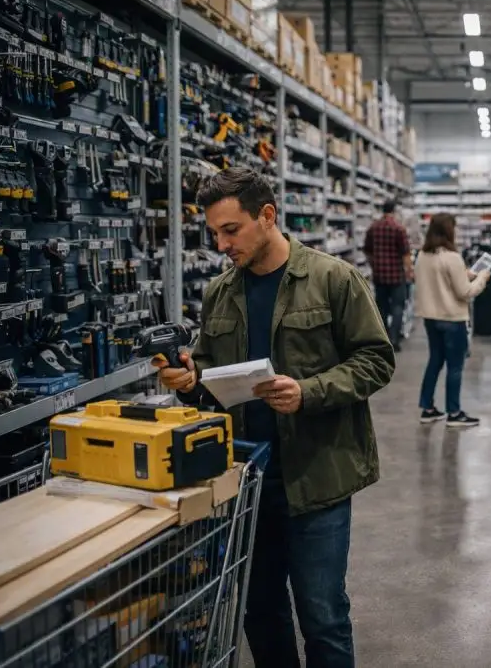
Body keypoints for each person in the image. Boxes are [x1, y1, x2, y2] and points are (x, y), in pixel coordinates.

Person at [154, 167, 395, 668]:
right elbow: (208, 376)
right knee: (259, 610)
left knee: (322, 614)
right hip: (249, 479)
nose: (221, 243)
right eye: (214, 232)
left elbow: (376, 359)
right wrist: (188, 380)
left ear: (267, 216)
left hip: (317, 475)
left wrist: (308, 391)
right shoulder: (220, 292)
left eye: (230, 230)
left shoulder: (333, 278)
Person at [413, 212, 489, 427]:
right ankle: (454, 413)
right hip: (452, 319)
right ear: (449, 230)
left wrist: (466, 274)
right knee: (455, 367)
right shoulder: (452, 257)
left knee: (435, 361)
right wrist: (481, 279)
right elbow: (465, 293)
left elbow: (440, 280)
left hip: (431, 318)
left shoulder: (423, 256)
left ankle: (427, 408)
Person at [363, 198, 413, 352]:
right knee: (398, 307)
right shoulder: (399, 229)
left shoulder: (373, 228)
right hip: (397, 276)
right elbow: (405, 254)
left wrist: (374, 265)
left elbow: (367, 251)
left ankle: (383, 340)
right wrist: (409, 271)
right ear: (394, 210)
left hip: (379, 275)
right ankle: (394, 339)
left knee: (381, 308)